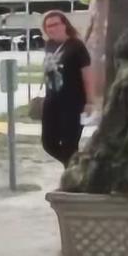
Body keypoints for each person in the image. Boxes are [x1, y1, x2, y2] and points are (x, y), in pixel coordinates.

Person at [41, 10, 95, 166]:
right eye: (48, 26)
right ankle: (78, 167)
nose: (52, 29)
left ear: (65, 24)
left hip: (72, 103)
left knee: (69, 145)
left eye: (55, 24)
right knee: (48, 143)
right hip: (51, 101)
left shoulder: (76, 46)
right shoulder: (49, 45)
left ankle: (73, 173)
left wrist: (90, 102)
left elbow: (87, 75)